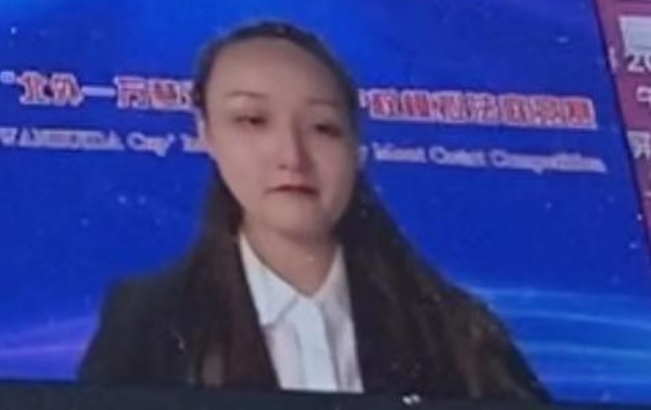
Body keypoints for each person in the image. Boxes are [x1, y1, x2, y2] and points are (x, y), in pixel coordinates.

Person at [79, 21, 549, 402]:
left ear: (357, 145)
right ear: (206, 133)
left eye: (323, 127)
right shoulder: (148, 321)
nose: (292, 156)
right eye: (252, 120)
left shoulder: (454, 329)